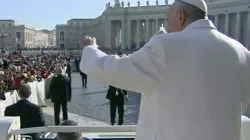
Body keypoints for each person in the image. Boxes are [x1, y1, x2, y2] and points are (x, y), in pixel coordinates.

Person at [79, 0, 250, 140]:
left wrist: (91, 49)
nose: (167, 27)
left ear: (181, 16)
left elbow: (117, 70)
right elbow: (239, 105)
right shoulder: (243, 53)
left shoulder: (166, 45)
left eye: (168, 20)